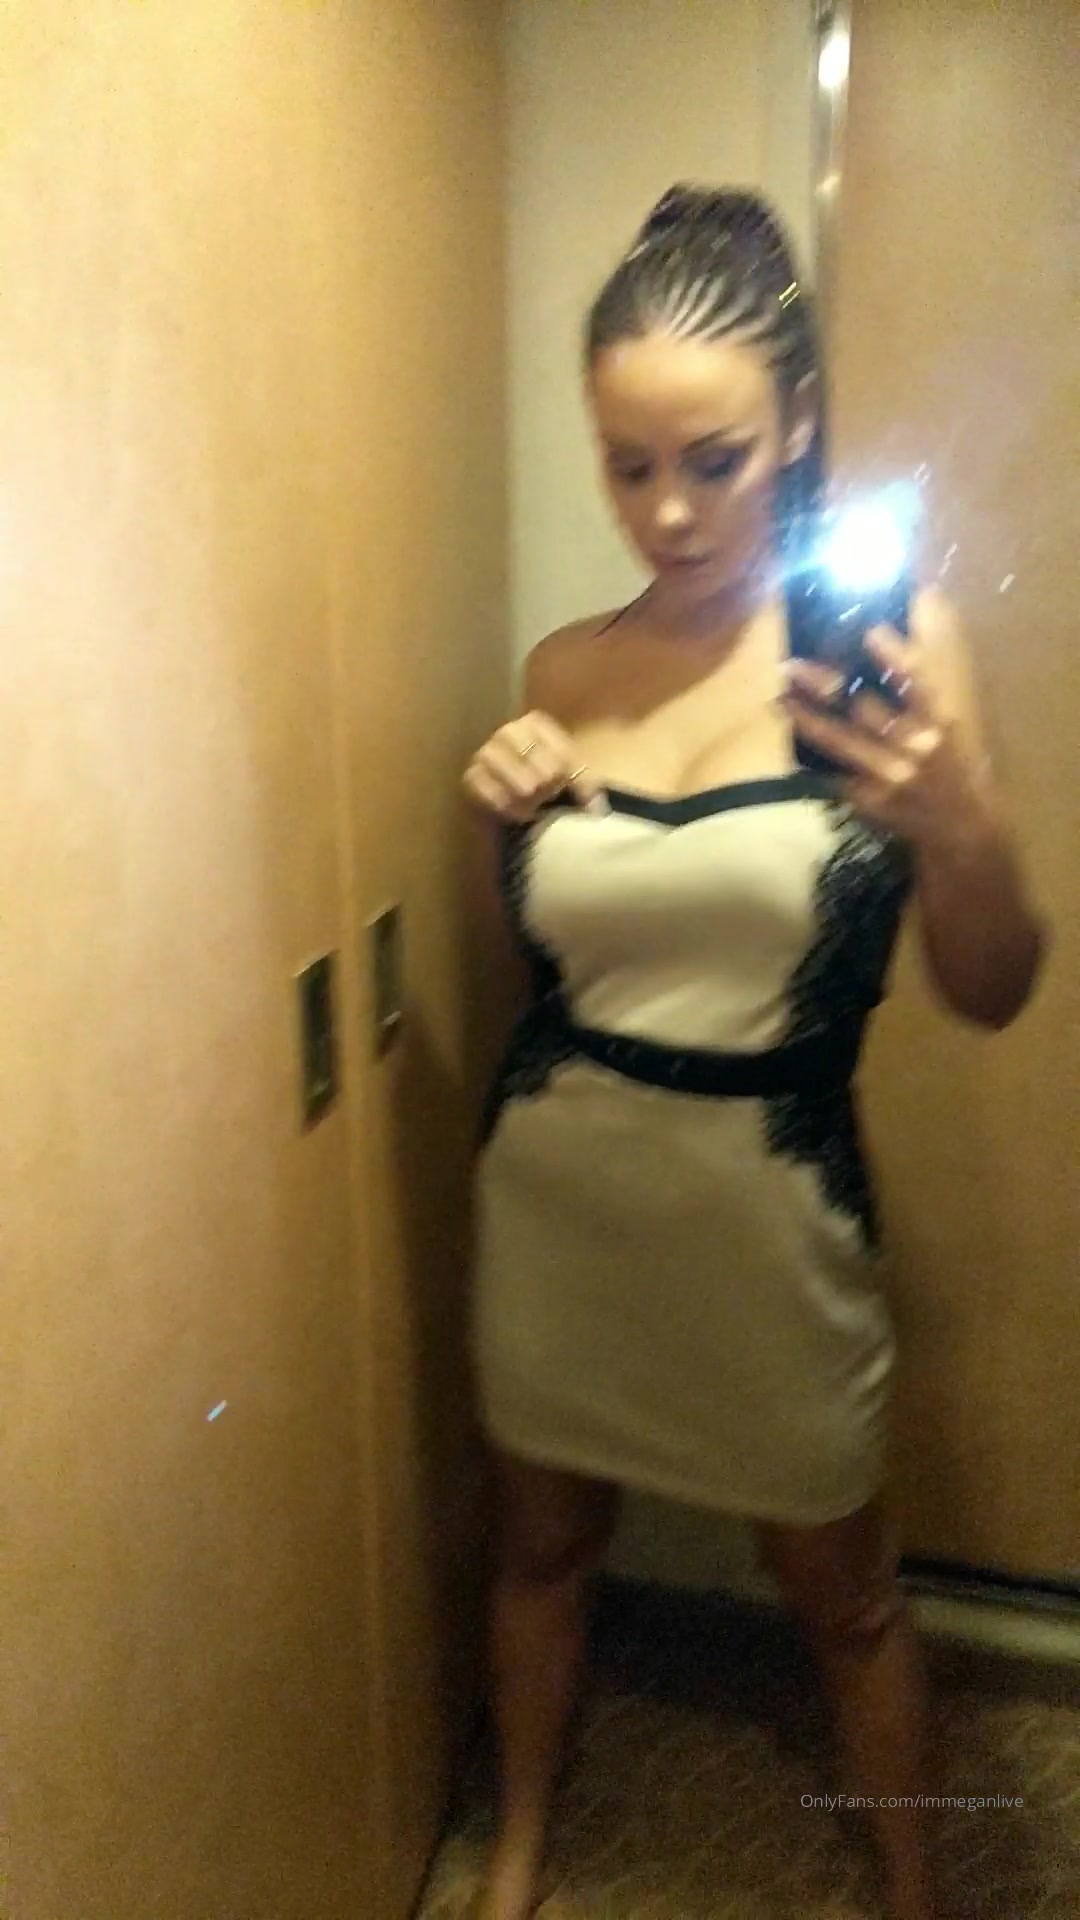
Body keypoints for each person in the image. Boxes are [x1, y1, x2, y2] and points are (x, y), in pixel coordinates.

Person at [460, 185, 1047, 1920]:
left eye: (713, 462)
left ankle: (913, 1880)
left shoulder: (882, 653)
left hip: (774, 1214)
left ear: (795, 425)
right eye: (627, 465)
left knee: (845, 1596)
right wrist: (503, 810)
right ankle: (516, 1852)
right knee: (543, 1548)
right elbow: (565, 960)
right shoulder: (565, 666)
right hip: (562, 1192)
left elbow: (993, 989)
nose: (669, 511)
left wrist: (966, 827)